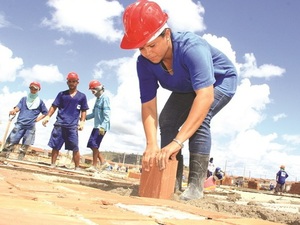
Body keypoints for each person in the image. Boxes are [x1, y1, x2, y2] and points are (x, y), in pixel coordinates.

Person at [120, 0, 237, 200]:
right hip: (186, 86)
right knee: (167, 120)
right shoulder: (144, 63)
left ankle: (195, 187)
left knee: (200, 121)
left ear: (167, 34)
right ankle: (170, 179)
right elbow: (148, 104)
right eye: (141, 48)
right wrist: (151, 144)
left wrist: (177, 142)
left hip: (218, 81)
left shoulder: (192, 47)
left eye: (152, 45)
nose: (147, 53)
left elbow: (205, 96)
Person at [42, 72, 89, 170]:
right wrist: (48, 117)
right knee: (55, 146)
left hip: (72, 126)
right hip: (60, 124)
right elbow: (54, 106)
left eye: (74, 81)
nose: (71, 83)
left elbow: (84, 110)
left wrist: (82, 121)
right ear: (67, 82)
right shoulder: (62, 94)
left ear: (77, 82)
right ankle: (53, 164)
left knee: (75, 147)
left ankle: (77, 167)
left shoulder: (82, 96)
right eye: (70, 81)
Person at [1, 82, 48, 160]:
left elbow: (45, 113)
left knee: (25, 145)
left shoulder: (40, 102)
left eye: (35, 89)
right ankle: (3, 157)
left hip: (30, 126)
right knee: (11, 141)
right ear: (29, 88)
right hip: (20, 124)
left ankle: (19, 160)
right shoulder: (24, 99)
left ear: (38, 90)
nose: (33, 90)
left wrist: (37, 120)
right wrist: (14, 111)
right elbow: (18, 107)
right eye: (31, 88)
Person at [85, 80, 111, 172]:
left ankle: (95, 166)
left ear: (98, 89)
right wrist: (84, 118)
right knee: (92, 145)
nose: (92, 93)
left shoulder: (105, 98)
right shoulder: (98, 99)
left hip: (101, 126)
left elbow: (107, 114)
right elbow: (93, 113)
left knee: (94, 144)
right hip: (96, 126)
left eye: (93, 91)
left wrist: (103, 126)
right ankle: (104, 163)